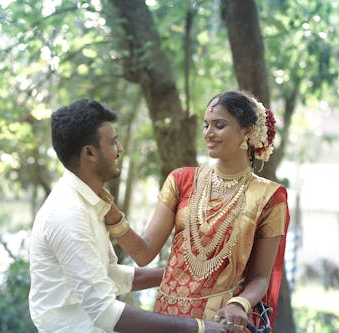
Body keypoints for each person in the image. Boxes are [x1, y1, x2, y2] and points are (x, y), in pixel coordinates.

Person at [28, 99, 227, 333]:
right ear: (90, 153)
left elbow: (108, 275)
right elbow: (104, 312)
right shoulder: (68, 214)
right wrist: (199, 327)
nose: (120, 149)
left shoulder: (88, 202)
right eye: (113, 142)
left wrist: (183, 276)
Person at [105, 91, 290, 332]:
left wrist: (240, 304)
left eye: (219, 125)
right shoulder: (181, 180)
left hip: (221, 321)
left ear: (247, 131)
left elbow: (261, 277)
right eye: (206, 125)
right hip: (169, 321)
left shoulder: (269, 197)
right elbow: (144, 253)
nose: (208, 133)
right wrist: (113, 216)